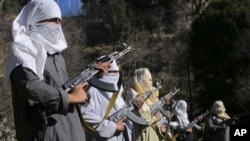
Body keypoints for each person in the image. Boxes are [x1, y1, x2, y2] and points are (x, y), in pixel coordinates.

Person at [4, 0, 110, 140]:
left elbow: (66, 89)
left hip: (71, 129)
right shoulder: (22, 52)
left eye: (59, 21)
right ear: (36, 21)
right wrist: (70, 98)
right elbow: (31, 87)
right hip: (46, 132)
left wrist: (92, 77)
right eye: (53, 20)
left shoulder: (57, 57)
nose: (58, 26)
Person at [81, 59, 135, 141]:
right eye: (113, 72)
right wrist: (113, 127)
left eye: (117, 73)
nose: (116, 75)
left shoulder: (117, 94)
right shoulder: (90, 91)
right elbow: (84, 116)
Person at [124, 68, 170, 141]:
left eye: (150, 80)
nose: (149, 83)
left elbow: (160, 116)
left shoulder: (151, 96)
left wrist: (163, 125)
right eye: (147, 80)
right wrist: (154, 118)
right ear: (140, 81)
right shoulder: (132, 97)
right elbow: (140, 120)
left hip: (155, 135)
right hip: (141, 136)